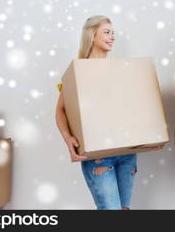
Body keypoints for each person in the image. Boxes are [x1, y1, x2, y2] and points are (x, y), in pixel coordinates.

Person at [55, 15, 139, 210]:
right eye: (107, 32)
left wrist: (150, 138)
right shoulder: (77, 72)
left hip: (127, 153)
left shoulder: (121, 70)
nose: (112, 37)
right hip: (98, 156)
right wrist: (68, 140)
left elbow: (133, 108)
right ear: (92, 35)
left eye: (113, 33)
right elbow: (60, 110)